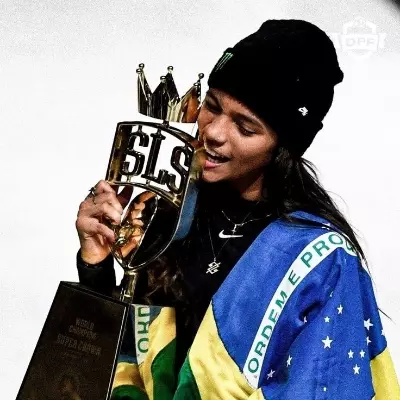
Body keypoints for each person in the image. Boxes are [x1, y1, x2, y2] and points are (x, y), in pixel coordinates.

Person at [75, 19, 400, 399]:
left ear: (283, 144)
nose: (213, 132)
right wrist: (96, 265)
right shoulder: (169, 214)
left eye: (245, 127)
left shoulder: (319, 260)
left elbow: (323, 387)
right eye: (211, 106)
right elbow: (121, 360)